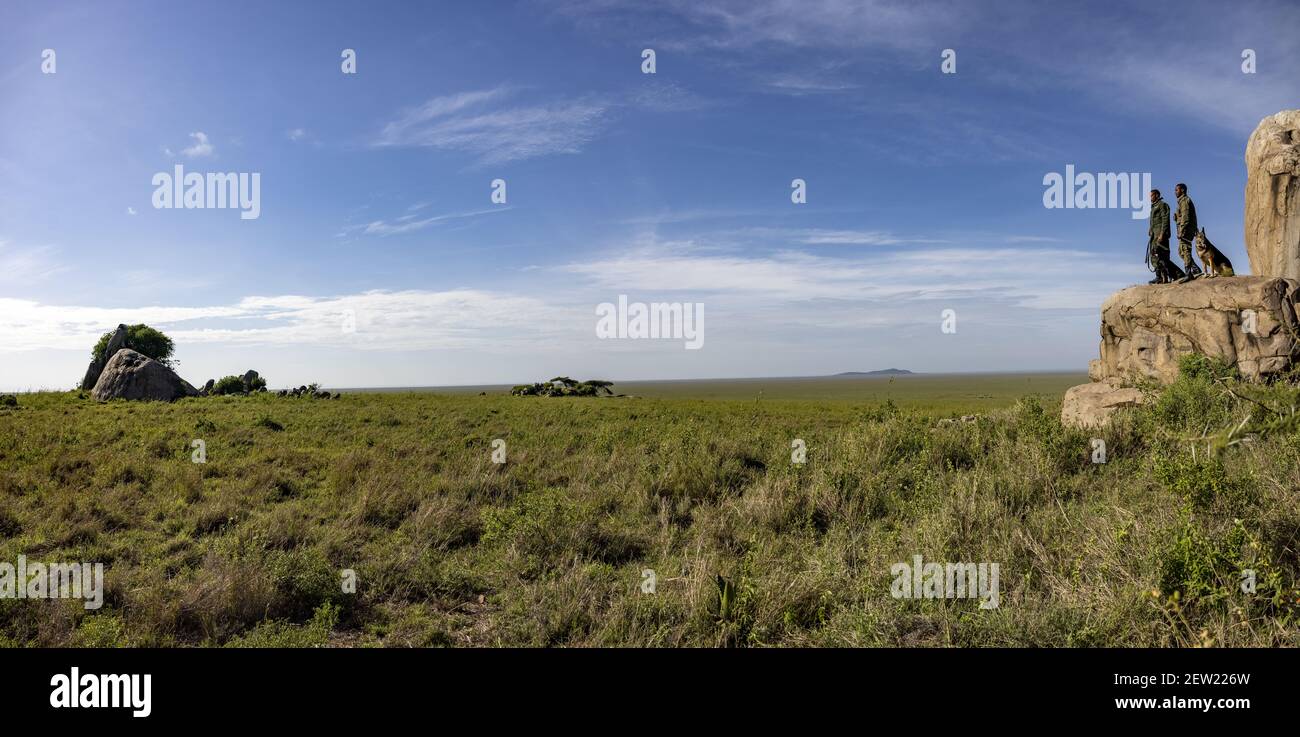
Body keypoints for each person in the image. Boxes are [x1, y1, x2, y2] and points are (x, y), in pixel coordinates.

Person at [1146, 189, 1184, 284]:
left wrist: (1162, 234)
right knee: (1156, 256)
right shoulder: (1154, 207)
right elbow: (1154, 221)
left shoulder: (1162, 205)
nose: (1150, 197)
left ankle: (1177, 274)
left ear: (1157, 195)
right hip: (1154, 235)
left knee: (1162, 256)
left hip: (1160, 235)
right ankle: (1161, 277)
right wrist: (1150, 229)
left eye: (1151, 195)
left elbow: (1165, 220)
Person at [1173, 183, 1202, 279]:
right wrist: (1176, 217)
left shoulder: (1184, 200)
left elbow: (1185, 217)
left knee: (1185, 250)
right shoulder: (1181, 201)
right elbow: (1182, 216)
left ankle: (1188, 273)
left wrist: (1182, 230)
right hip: (1185, 228)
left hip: (1186, 229)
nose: (1175, 192)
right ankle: (1195, 269)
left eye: (1177, 190)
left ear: (1182, 190)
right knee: (1181, 252)